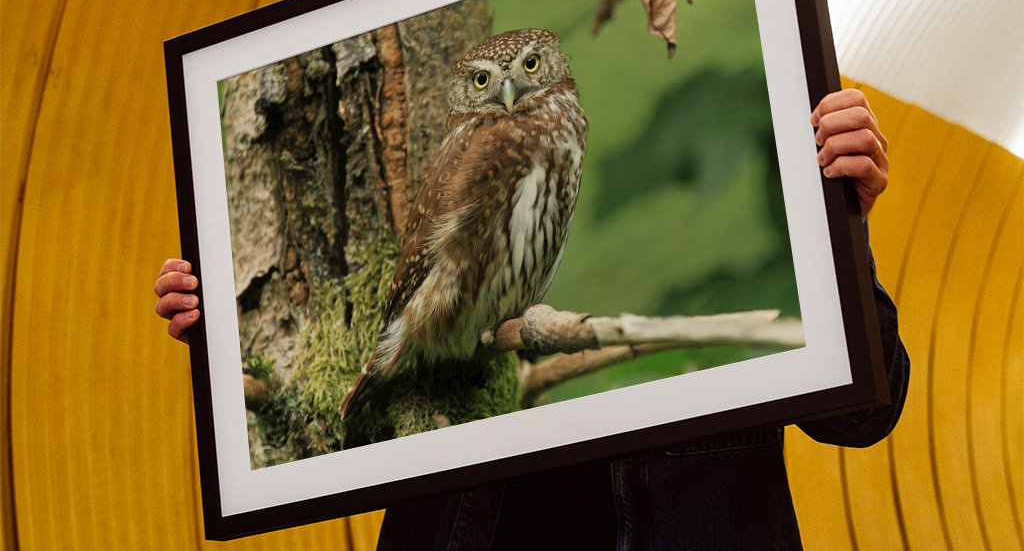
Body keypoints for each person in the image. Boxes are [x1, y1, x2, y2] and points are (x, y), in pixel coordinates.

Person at [155, 89, 909, 549]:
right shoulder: (459, 231)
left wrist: (838, 226)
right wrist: (241, 325)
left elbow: (865, 413)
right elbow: (346, 407)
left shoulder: (737, 251)